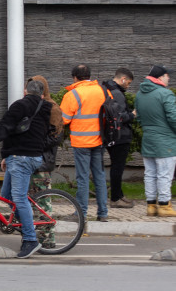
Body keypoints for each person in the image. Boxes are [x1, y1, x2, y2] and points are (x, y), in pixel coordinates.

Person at [0, 79, 51, 259]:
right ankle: (24, 223)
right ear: (41, 94)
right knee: (7, 195)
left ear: (25, 91)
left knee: (18, 197)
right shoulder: (45, 107)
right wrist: (7, 155)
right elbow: (21, 132)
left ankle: (30, 239)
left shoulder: (21, 105)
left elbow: (6, 125)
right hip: (27, 156)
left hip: (22, 158)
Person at [59, 64, 109, 221]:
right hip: (99, 140)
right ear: (89, 75)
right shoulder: (103, 90)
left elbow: (63, 120)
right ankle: (103, 213)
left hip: (81, 142)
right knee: (99, 176)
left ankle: (81, 213)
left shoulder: (73, 95)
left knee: (82, 177)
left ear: (74, 77)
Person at [27, 75, 64, 250]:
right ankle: (37, 236)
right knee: (34, 200)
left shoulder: (52, 109)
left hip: (43, 160)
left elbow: (56, 137)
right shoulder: (34, 105)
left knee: (43, 201)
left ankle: (48, 239)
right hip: (30, 158)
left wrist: (36, 144)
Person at [134, 65, 176, 217]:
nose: (169, 78)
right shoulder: (166, 94)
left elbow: (139, 117)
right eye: (167, 75)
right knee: (165, 174)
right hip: (165, 141)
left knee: (150, 173)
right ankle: (164, 206)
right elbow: (173, 118)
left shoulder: (139, 94)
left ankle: (151, 205)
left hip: (148, 139)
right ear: (159, 78)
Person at [104, 68, 136, 208]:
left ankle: (119, 195)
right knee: (118, 167)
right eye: (128, 83)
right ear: (123, 79)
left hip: (110, 135)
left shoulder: (107, 89)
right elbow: (120, 117)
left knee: (116, 166)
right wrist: (132, 115)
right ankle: (116, 198)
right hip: (120, 135)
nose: (128, 86)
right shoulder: (117, 94)